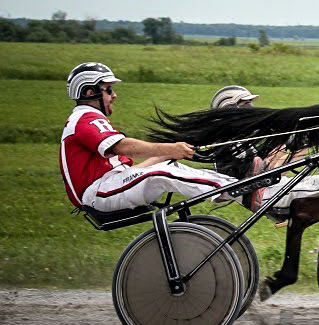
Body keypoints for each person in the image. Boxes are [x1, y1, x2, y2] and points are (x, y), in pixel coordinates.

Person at [60, 63, 258, 214]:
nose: (114, 95)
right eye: (109, 89)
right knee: (161, 173)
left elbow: (131, 172)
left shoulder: (89, 119)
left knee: (169, 166)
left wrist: (168, 155)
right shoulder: (84, 119)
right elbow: (122, 147)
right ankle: (239, 191)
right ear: (90, 92)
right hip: (97, 194)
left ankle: (236, 183)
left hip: (109, 187)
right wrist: (169, 149)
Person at [208, 83, 319, 216]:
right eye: (246, 104)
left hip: (271, 189)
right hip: (266, 195)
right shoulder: (230, 144)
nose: (251, 108)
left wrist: (300, 147)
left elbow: (273, 171)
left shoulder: (237, 139)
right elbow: (265, 172)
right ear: (230, 108)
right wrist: (287, 146)